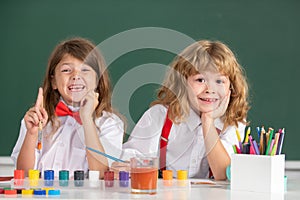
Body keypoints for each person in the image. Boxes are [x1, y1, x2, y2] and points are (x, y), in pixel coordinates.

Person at [112, 40, 250, 180]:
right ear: (183, 83)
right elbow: (134, 157)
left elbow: (223, 174)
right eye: (200, 80)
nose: (210, 90)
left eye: (219, 81)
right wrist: (133, 165)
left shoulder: (233, 122)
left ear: (230, 87)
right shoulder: (159, 115)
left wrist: (207, 121)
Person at [11, 37, 124, 178]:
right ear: (53, 82)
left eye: (85, 69)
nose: (76, 76)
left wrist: (87, 120)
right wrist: (32, 134)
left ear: (97, 80)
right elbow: (24, 173)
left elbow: (100, 172)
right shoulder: (37, 120)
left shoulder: (110, 123)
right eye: (66, 70)